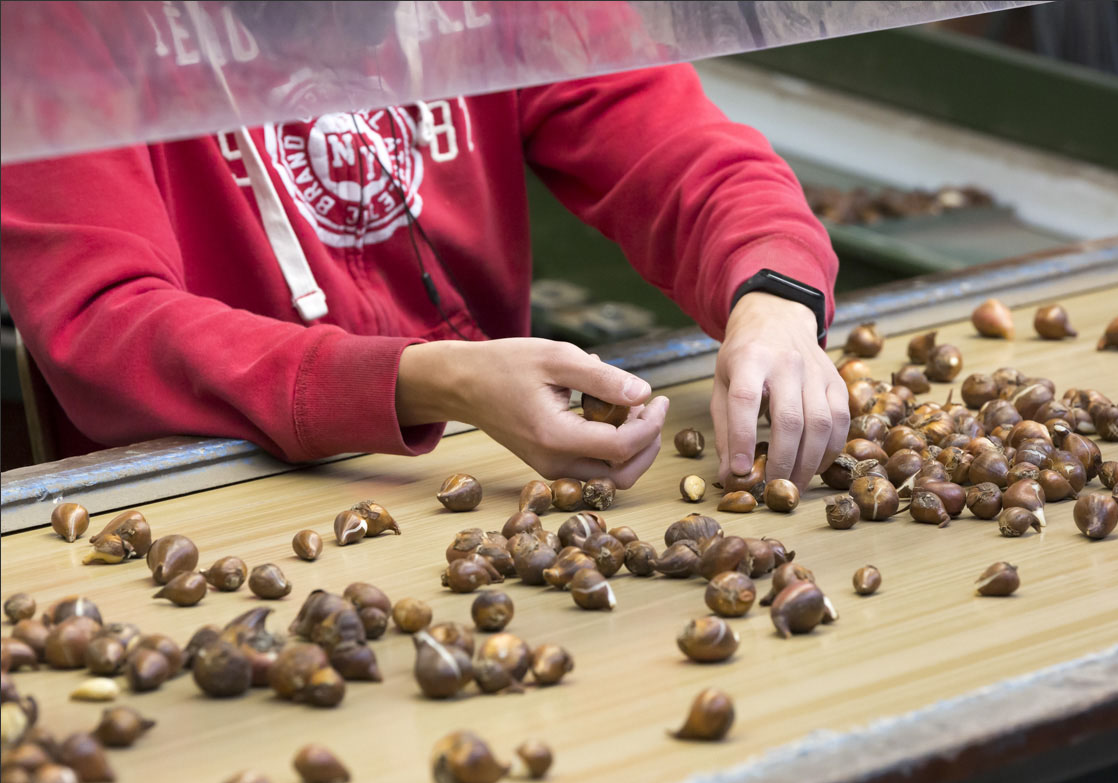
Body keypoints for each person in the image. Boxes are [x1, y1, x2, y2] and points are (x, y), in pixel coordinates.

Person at [0, 1, 849, 491]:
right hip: (190, 493)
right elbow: (104, 327)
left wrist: (773, 296)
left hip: (483, 476)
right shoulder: (57, 26)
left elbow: (681, 156)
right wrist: (426, 379)